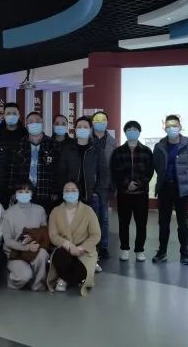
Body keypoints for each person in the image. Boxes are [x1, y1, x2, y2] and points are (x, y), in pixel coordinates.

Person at [57, 117, 107, 272]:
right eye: (79, 126)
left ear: (90, 129)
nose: (82, 129)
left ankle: (92, 258)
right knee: (72, 228)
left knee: (91, 229)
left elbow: (103, 172)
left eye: (85, 126)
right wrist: (64, 191)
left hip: (91, 196)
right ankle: (72, 257)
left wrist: (97, 191)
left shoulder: (96, 149)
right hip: (71, 196)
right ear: (75, 129)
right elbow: (61, 172)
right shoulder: (68, 148)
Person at [152, 115, 188, 266]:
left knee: (182, 223)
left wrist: (186, 179)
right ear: (165, 128)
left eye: (174, 125)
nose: (171, 128)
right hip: (165, 188)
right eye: (168, 126)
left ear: (180, 127)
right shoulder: (159, 146)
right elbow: (156, 165)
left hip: (181, 190)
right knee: (163, 223)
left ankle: (184, 254)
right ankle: (162, 252)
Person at [47, 181, 101, 296]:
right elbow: (53, 236)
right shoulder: (55, 211)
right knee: (60, 257)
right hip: (64, 250)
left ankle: (64, 278)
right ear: (62, 193)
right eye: (67, 191)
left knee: (83, 270)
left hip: (84, 252)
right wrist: (68, 245)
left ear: (79, 192)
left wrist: (81, 248)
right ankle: (69, 279)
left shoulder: (88, 211)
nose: (70, 193)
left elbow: (96, 235)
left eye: (73, 190)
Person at [110, 121, 153, 262]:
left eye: (135, 129)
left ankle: (140, 250)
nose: (132, 132)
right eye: (129, 129)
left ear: (139, 132)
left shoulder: (146, 151)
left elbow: (149, 171)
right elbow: (115, 171)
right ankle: (124, 249)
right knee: (124, 223)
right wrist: (127, 184)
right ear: (125, 132)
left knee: (141, 224)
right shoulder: (118, 151)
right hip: (124, 194)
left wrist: (138, 184)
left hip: (141, 194)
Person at [2, 180, 49, 291]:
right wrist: (26, 247)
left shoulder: (40, 210)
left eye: (27, 191)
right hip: (15, 253)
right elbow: (7, 240)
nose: (24, 194)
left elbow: (44, 232)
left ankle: (38, 285)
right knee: (24, 276)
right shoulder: (7, 213)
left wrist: (34, 240)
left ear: (32, 193)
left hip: (35, 249)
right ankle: (13, 278)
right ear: (15, 194)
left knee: (43, 254)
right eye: (20, 191)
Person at [9, 111, 59, 211]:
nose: (34, 124)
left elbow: (57, 170)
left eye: (37, 121)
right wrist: (12, 192)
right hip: (24, 193)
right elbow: (13, 171)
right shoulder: (19, 145)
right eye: (31, 122)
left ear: (42, 124)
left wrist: (55, 191)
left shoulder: (53, 144)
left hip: (45, 193)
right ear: (26, 125)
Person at [90, 111, 116, 260]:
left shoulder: (112, 141)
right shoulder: (86, 138)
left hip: (105, 184)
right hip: (89, 183)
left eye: (103, 120)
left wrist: (112, 185)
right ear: (93, 122)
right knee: (90, 216)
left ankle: (104, 246)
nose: (100, 122)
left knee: (104, 217)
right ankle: (91, 245)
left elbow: (114, 165)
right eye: (97, 120)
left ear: (107, 122)